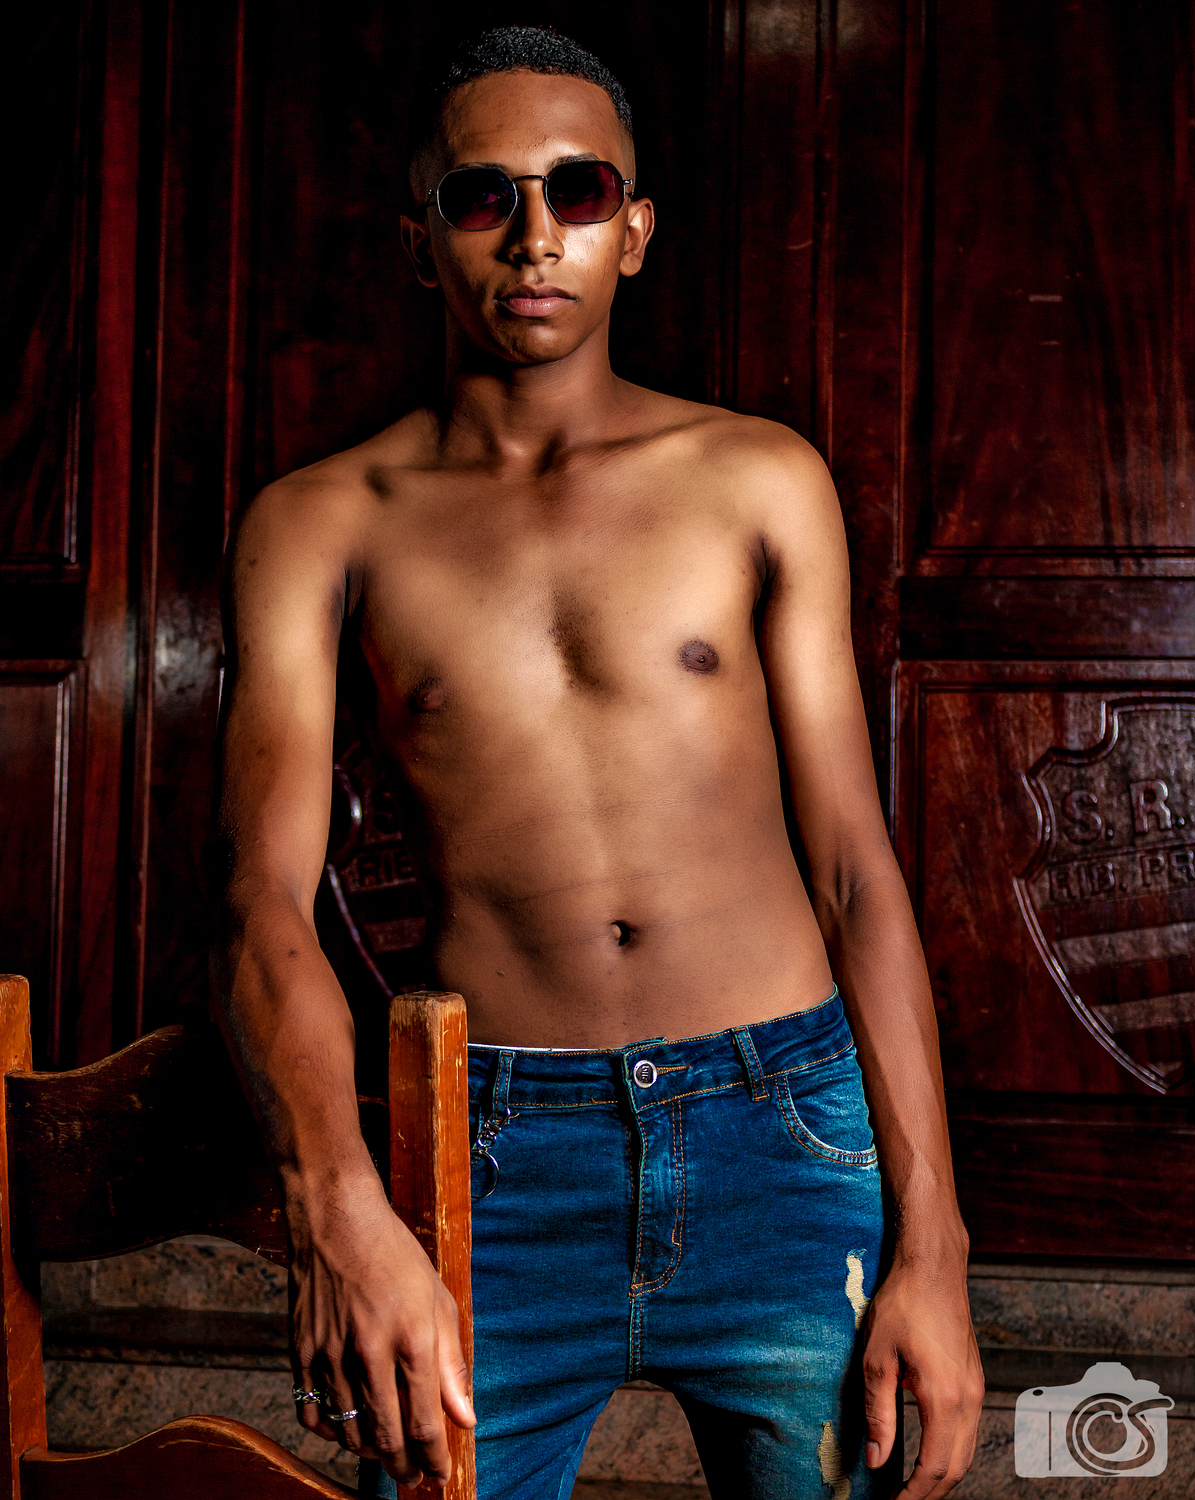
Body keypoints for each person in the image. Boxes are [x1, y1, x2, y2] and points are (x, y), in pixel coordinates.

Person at [215, 25, 983, 1500]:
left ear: (632, 232)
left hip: (785, 1134)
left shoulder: (758, 478)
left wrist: (934, 1247)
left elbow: (854, 874)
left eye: (577, 191)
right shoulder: (323, 521)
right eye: (482, 196)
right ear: (419, 240)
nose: (532, 237)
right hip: (494, 1153)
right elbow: (260, 904)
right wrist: (341, 1209)